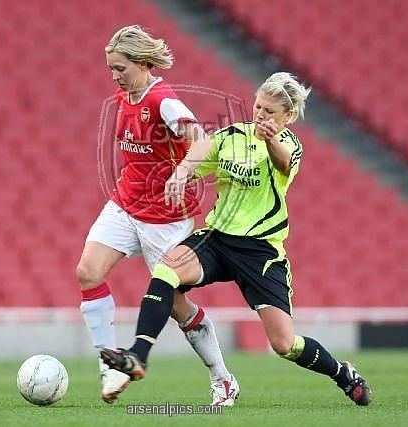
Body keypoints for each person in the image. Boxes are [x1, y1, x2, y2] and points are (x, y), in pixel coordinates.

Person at [100, 72, 372, 406]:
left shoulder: (288, 144)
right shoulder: (231, 136)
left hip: (260, 252)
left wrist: (271, 140)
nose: (260, 115)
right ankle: (138, 355)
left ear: (287, 117)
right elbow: (199, 156)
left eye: (270, 112)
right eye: (258, 107)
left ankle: (342, 373)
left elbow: (285, 165)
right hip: (216, 238)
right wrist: (181, 173)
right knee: (165, 271)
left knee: (285, 345)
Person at [76, 25, 239, 406]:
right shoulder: (124, 95)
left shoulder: (163, 101)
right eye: (111, 69)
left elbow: (201, 139)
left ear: (143, 63)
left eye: (121, 68)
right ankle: (110, 364)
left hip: (165, 218)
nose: (115, 76)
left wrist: (182, 173)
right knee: (87, 271)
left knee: (178, 307)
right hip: (125, 203)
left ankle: (223, 378)